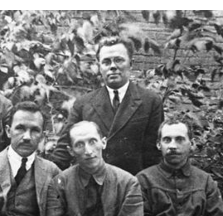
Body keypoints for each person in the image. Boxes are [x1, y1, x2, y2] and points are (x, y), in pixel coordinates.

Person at [50, 36, 163, 175]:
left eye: (119, 60)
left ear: (131, 64)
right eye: (106, 62)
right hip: (92, 182)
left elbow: (154, 155)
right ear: (100, 67)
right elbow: (64, 149)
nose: (113, 66)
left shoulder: (150, 101)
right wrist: (50, 179)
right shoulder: (84, 104)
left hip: (133, 182)